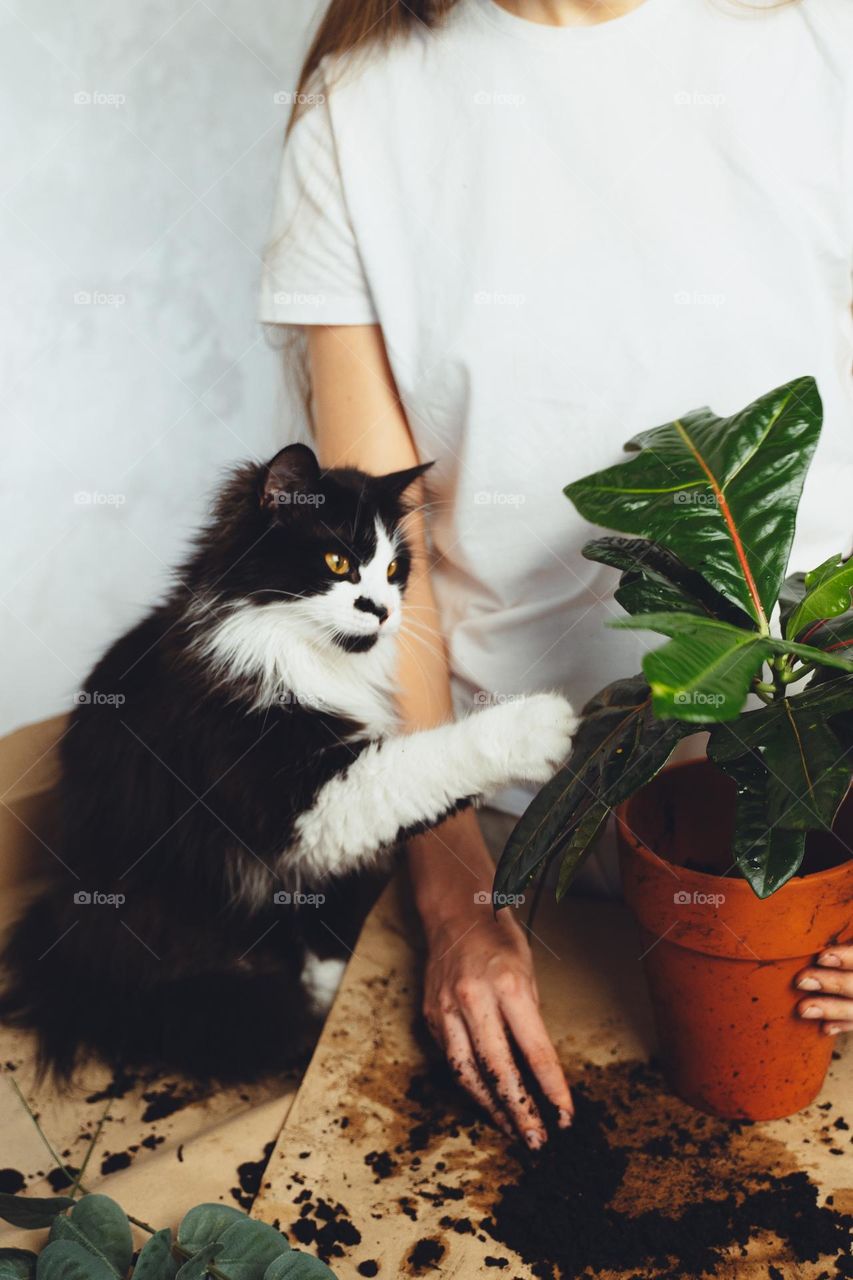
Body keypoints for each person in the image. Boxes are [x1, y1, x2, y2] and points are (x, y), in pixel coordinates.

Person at [260, 0, 853, 1148]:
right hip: (527, 856)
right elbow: (389, 575)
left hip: (818, 844)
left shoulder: (822, 39)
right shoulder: (359, 111)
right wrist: (456, 899)